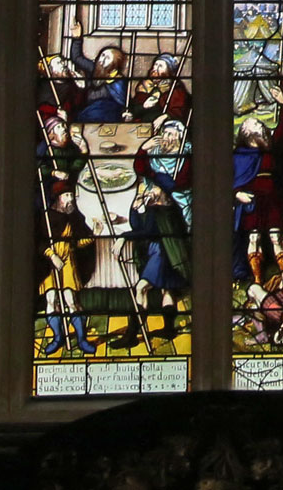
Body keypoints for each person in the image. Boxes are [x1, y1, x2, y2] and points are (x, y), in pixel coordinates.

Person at [111, 184, 192, 349]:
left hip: (161, 254)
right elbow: (138, 226)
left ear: (163, 191)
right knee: (167, 290)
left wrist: (123, 237)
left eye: (153, 188)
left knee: (141, 288)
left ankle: (131, 336)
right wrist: (135, 208)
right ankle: (169, 330)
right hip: (167, 253)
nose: (149, 192)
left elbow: (147, 232)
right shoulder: (161, 208)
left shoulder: (164, 210)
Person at [233, 86, 283, 286]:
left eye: (262, 134)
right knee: (254, 238)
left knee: (276, 237)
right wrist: (236, 194)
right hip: (252, 201)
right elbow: (229, 181)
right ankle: (257, 279)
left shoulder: (271, 147)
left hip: (272, 198)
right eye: (257, 136)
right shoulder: (238, 156)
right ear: (248, 138)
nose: (263, 138)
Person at [36, 182, 99, 354]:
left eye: (71, 195)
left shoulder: (74, 217)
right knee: (51, 299)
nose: (70, 199)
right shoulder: (46, 217)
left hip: (68, 262)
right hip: (49, 263)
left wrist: (93, 235)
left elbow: (78, 242)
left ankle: (82, 339)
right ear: (58, 198)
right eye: (66, 196)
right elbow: (38, 241)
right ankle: (58, 338)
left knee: (71, 300)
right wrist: (51, 255)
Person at [134, 117, 192, 228]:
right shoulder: (156, 150)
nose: (165, 137)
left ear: (178, 137)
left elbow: (182, 183)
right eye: (164, 132)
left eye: (170, 134)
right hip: (154, 192)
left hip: (177, 198)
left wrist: (160, 180)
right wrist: (143, 149)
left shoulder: (185, 157)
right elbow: (140, 169)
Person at [67, 21, 129, 123]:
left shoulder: (119, 81)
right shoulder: (94, 68)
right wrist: (77, 38)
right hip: (89, 112)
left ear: (115, 65)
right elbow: (77, 58)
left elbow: (121, 102)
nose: (102, 59)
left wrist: (85, 84)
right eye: (102, 55)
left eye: (107, 58)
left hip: (107, 115)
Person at [124, 53, 190, 124]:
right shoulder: (145, 85)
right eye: (155, 65)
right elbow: (136, 107)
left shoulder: (175, 88)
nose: (156, 68)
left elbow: (179, 112)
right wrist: (132, 114)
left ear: (169, 70)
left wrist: (165, 116)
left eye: (160, 66)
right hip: (142, 125)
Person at [37, 115, 90, 202]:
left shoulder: (69, 147)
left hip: (70, 187)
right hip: (52, 193)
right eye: (58, 127)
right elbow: (38, 168)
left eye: (63, 125)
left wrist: (83, 151)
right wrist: (54, 172)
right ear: (51, 134)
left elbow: (74, 168)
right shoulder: (45, 150)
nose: (64, 129)